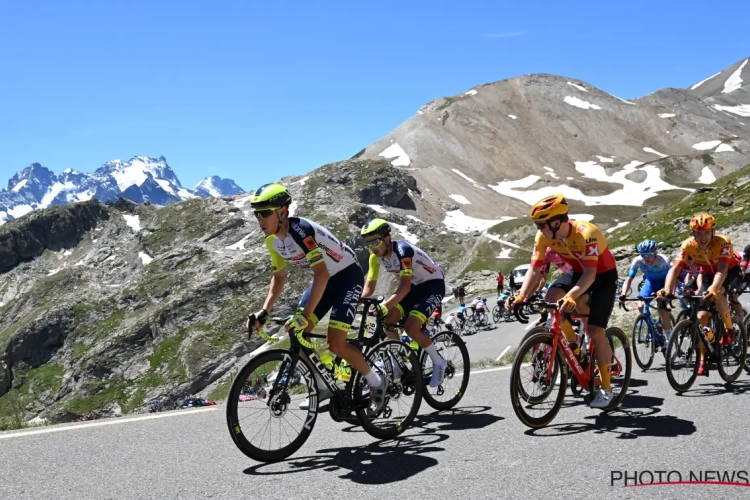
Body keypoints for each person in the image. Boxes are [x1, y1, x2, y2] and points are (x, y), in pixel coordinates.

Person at [247, 182, 387, 411]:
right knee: (297, 332)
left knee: (335, 342)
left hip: (347, 277)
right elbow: (279, 278)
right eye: (256, 214)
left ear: (282, 211)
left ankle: (376, 382)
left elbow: (320, 274)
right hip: (325, 280)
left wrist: (305, 316)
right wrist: (264, 311)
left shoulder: (301, 231)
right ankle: (321, 384)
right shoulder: (272, 240)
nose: (260, 219)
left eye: (264, 213)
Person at [505, 194, 619, 409]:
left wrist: (571, 296)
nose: (539, 229)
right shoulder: (544, 238)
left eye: (541, 225)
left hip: (601, 276)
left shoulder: (588, 233)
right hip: (578, 273)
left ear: (556, 222)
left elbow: (591, 274)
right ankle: (573, 341)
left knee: (596, 331)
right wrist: (521, 296)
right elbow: (535, 268)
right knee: (551, 297)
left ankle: (606, 388)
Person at [359, 218, 448, 386]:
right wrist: (355, 304)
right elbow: (368, 289)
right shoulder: (375, 257)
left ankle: (439, 361)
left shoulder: (403, 251)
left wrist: (385, 306)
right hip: (415, 287)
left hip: (433, 285)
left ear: (387, 238)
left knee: (410, 327)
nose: (373, 248)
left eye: (376, 242)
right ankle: (400, 361)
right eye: (368, 244)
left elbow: (404, 287)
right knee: (388, 321)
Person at [658, 213, 743, 376]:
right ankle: (702, 359)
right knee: (702, 315)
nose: (702, 237)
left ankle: (729, 328)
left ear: (713, 231)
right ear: (693, 234)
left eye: (706, 232)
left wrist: (713, 288)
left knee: (718, 291)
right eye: (698, 233)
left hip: (730, 273)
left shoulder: (723, 241)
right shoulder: (688, 245)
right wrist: (667, 289)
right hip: (707, 274)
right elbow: (674, 269)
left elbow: (723, 269)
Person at [617, 240, 672, 344]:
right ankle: (652, 328)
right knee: (640, 306)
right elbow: (629, 279)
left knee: (662, 308)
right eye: (643, 255)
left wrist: (668, 291)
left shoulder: (663, 260)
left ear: (655, 253)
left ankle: (668, 336)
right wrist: (623, 294)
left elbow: (674, 277)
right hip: (650, 283)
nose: (646, 258)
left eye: (649, 254)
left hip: (664, 284)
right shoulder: (638, 261)